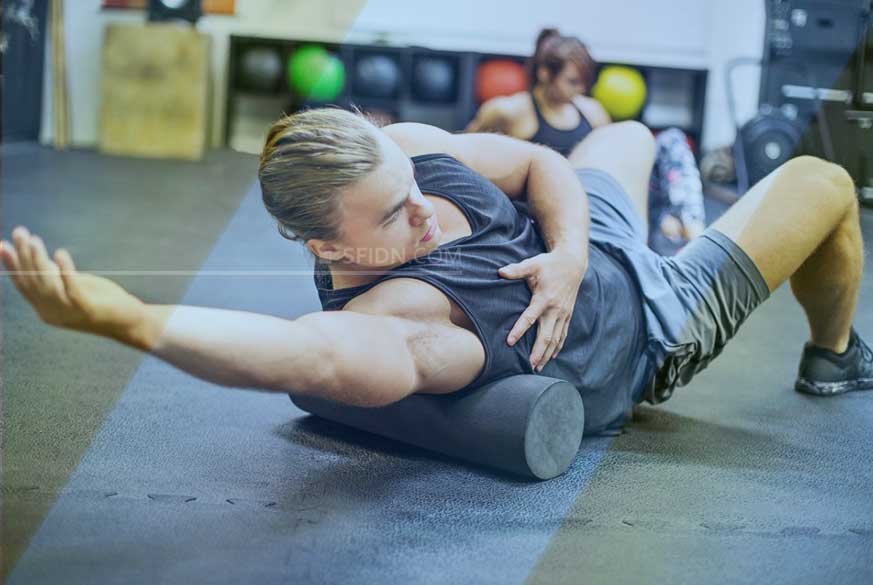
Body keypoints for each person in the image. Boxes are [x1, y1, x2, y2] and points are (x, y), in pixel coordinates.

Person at [2, 108, 870, 437]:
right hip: (646, 318)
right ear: (329, 248)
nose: (421, 208)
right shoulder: (405, 315)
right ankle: (833, 354)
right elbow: (300, 356)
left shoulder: (411, 153)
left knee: (629, 136)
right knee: (823, 184)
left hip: (584, 250)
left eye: (408, 186)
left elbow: (535, 164)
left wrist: (565, 256)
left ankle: (611, 228)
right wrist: (128, 320)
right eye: (390, 215)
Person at [466, 28, 706, 251]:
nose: (579, 89)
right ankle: (668, 227)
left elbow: (618, 167)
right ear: (545, 73)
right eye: (572, 81)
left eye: (584, 82)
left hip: (596, 204)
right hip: (549, 210)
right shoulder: (511, 112)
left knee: (672, 140)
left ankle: (690, 233)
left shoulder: (591, 111)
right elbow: (468, 156)